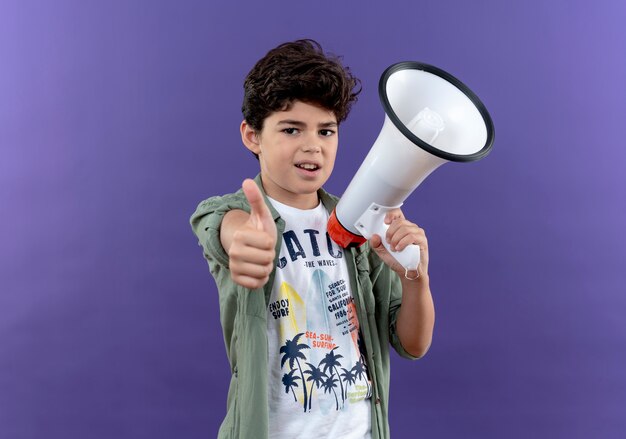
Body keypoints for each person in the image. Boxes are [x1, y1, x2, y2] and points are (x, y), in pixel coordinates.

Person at [190, 39, 435, 439]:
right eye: (291, 129)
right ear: (252, 136)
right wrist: (243, 240)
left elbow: (412, 344)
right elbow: (225, 229)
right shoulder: (235, 215)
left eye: (326, 131)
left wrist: (415, 278)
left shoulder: (360, 221)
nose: (313, 146)